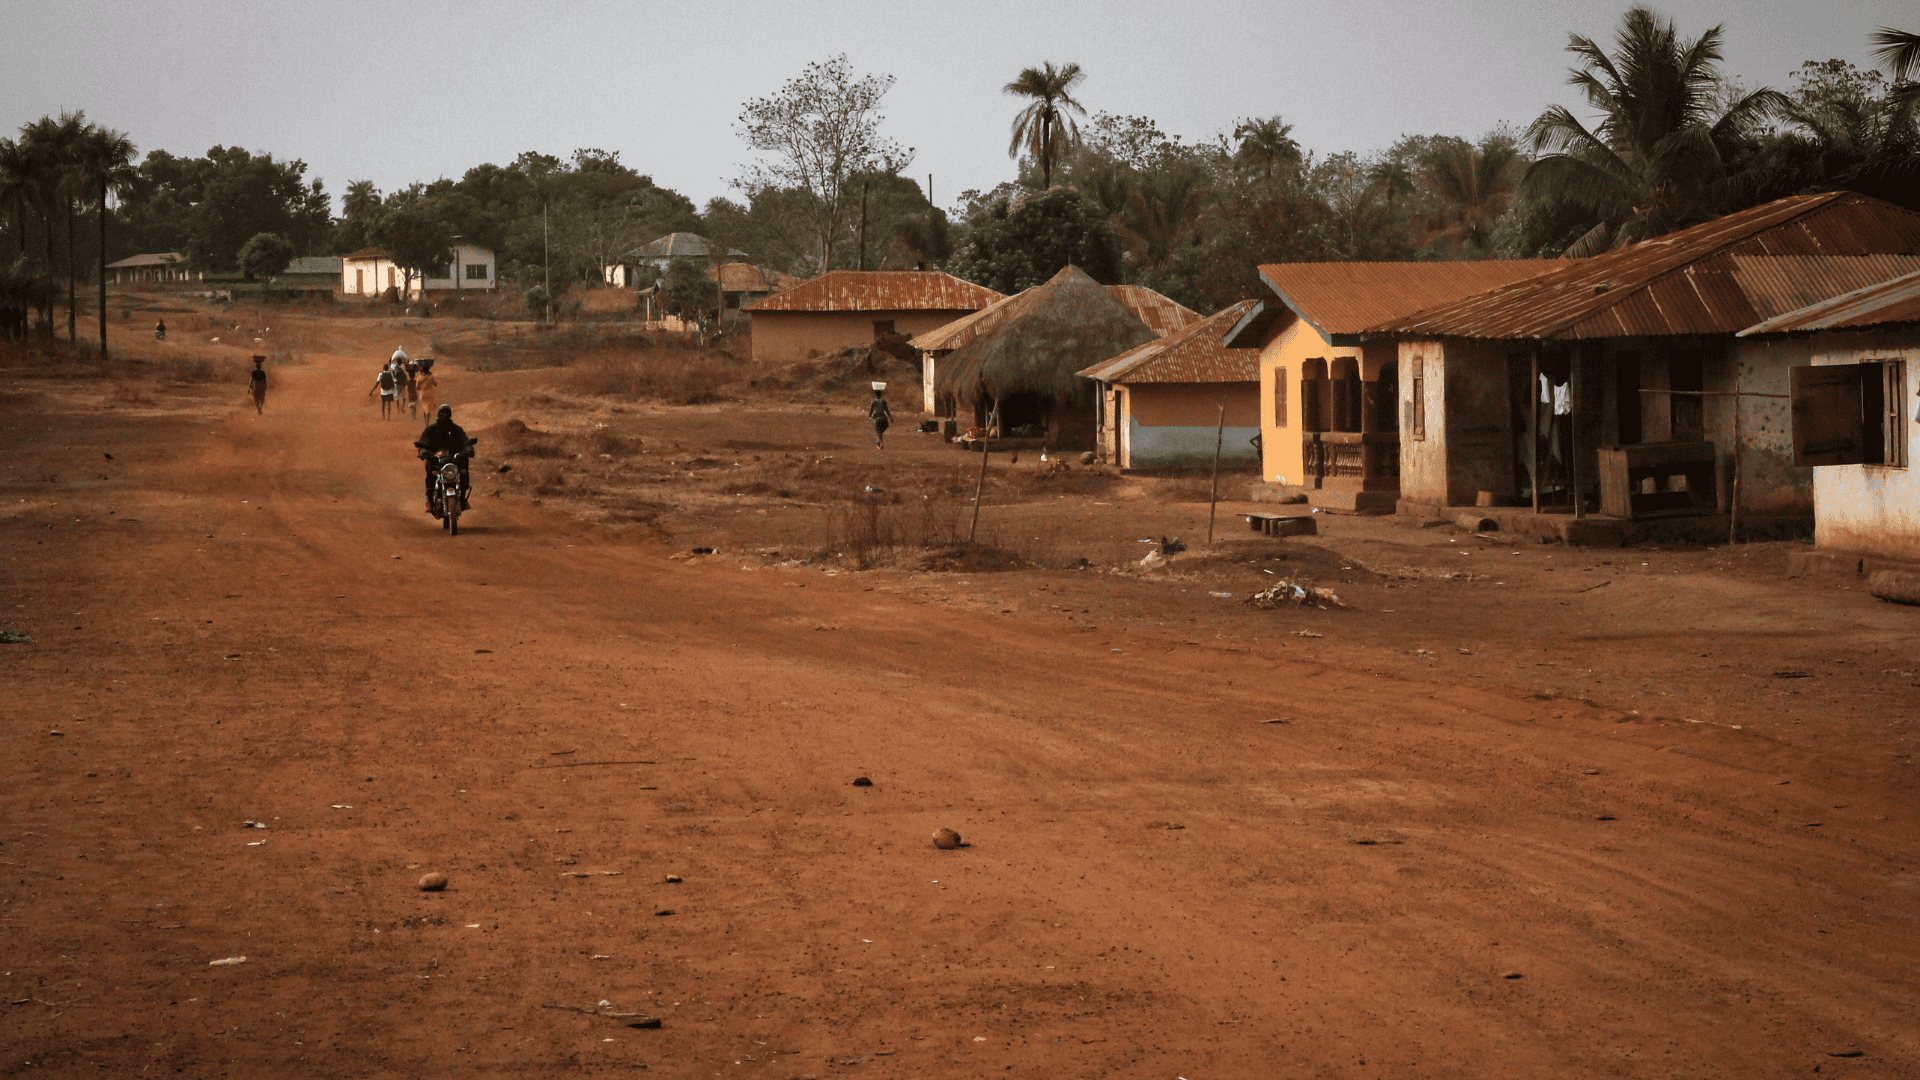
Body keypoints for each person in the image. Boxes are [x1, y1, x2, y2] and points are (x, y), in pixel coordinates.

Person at [414, 403, 473, 517]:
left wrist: (468, 449)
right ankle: (430, 501)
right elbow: (423, 443)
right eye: (442, 412)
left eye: (447, 412)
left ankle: (462, 499)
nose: (444, 415)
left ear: (450, 415)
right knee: (431, 475)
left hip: (454, 461)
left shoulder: (457, 429)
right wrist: (423, 451)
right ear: (438, 414)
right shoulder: (430, 430)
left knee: (464, 471)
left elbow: (465, 442)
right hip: (436, 461)